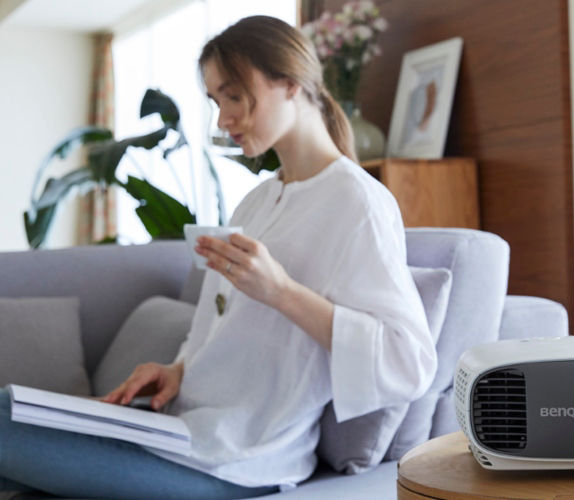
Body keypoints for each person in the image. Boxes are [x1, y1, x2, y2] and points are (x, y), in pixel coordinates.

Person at [0, 15, 437, 498]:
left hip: (243, 459)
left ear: (290, 83)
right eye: (215, 101)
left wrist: (282, 292)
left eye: (233, 96)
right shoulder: (255, 201)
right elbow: (218, 326)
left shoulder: (359, 204)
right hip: (180, 430)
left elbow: (409, 363)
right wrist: (177, 370)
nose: (223, 118)